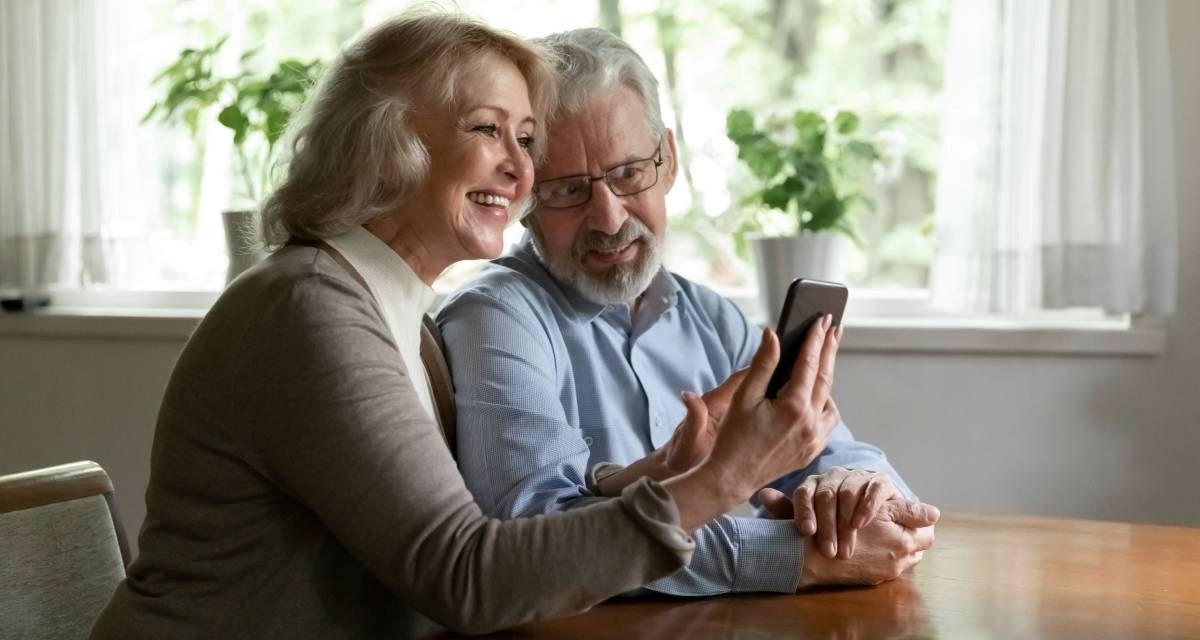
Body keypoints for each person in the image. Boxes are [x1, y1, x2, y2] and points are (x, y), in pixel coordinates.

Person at [89, 13, 867, 639]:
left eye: (527, 141)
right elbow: (470, 577)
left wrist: (649, 474)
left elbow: (476, 532)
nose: (521, 170)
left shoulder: (394, 313)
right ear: (387, 141)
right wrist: (723, 480)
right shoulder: (309, 310)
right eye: (488, 129)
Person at [438, 27, 939, 596]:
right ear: (526, 197)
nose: (607, 218)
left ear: (668, 161)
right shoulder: (495, 318)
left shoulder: (711, 319)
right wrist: (799, 557)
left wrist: (854, 490)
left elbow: (832, 449)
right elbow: (535, 535)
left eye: (628, 174)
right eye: (567, 191)